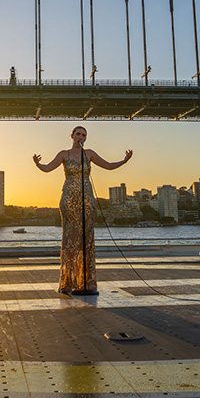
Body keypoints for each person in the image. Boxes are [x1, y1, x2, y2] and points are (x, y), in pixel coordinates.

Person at [34, 126, 132, 295]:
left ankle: (86, 282)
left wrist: (124, 161)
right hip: (69, 200)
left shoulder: (89, 154)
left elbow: (108, 165)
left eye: (84, 135)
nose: (81, 137)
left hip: (87, 201)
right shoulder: (63, 154)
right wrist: (37, 163)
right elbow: (48, 168)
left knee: (86, 239)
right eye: (78, 134)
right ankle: (68, 282)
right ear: (72, 136)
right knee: (71, 238)